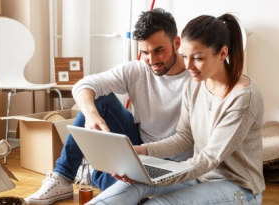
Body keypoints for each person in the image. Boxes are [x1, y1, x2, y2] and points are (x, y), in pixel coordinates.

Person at [86, 13, 265, 205]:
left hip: (238, 188)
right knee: (131, 186)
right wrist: (140, 152)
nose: (188, 66)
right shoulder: (196, 83)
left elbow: (209, 158)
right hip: (200, 178)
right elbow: (184, 137)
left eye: (197, 58)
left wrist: (153, 174)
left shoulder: (243, 97)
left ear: (222, 53)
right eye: (185, 57)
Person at [25, 8, 193, 205]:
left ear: (177, 43)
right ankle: (62, 176)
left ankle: (94, 173)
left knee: (138, 197)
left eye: (159, 50)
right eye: (145, 52)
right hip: (139, 146)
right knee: (98, 98)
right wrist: (90, 115)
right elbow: (84, 85)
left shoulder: (197, 77)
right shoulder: (137, 70)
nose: (152, 60)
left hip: (177, 162)